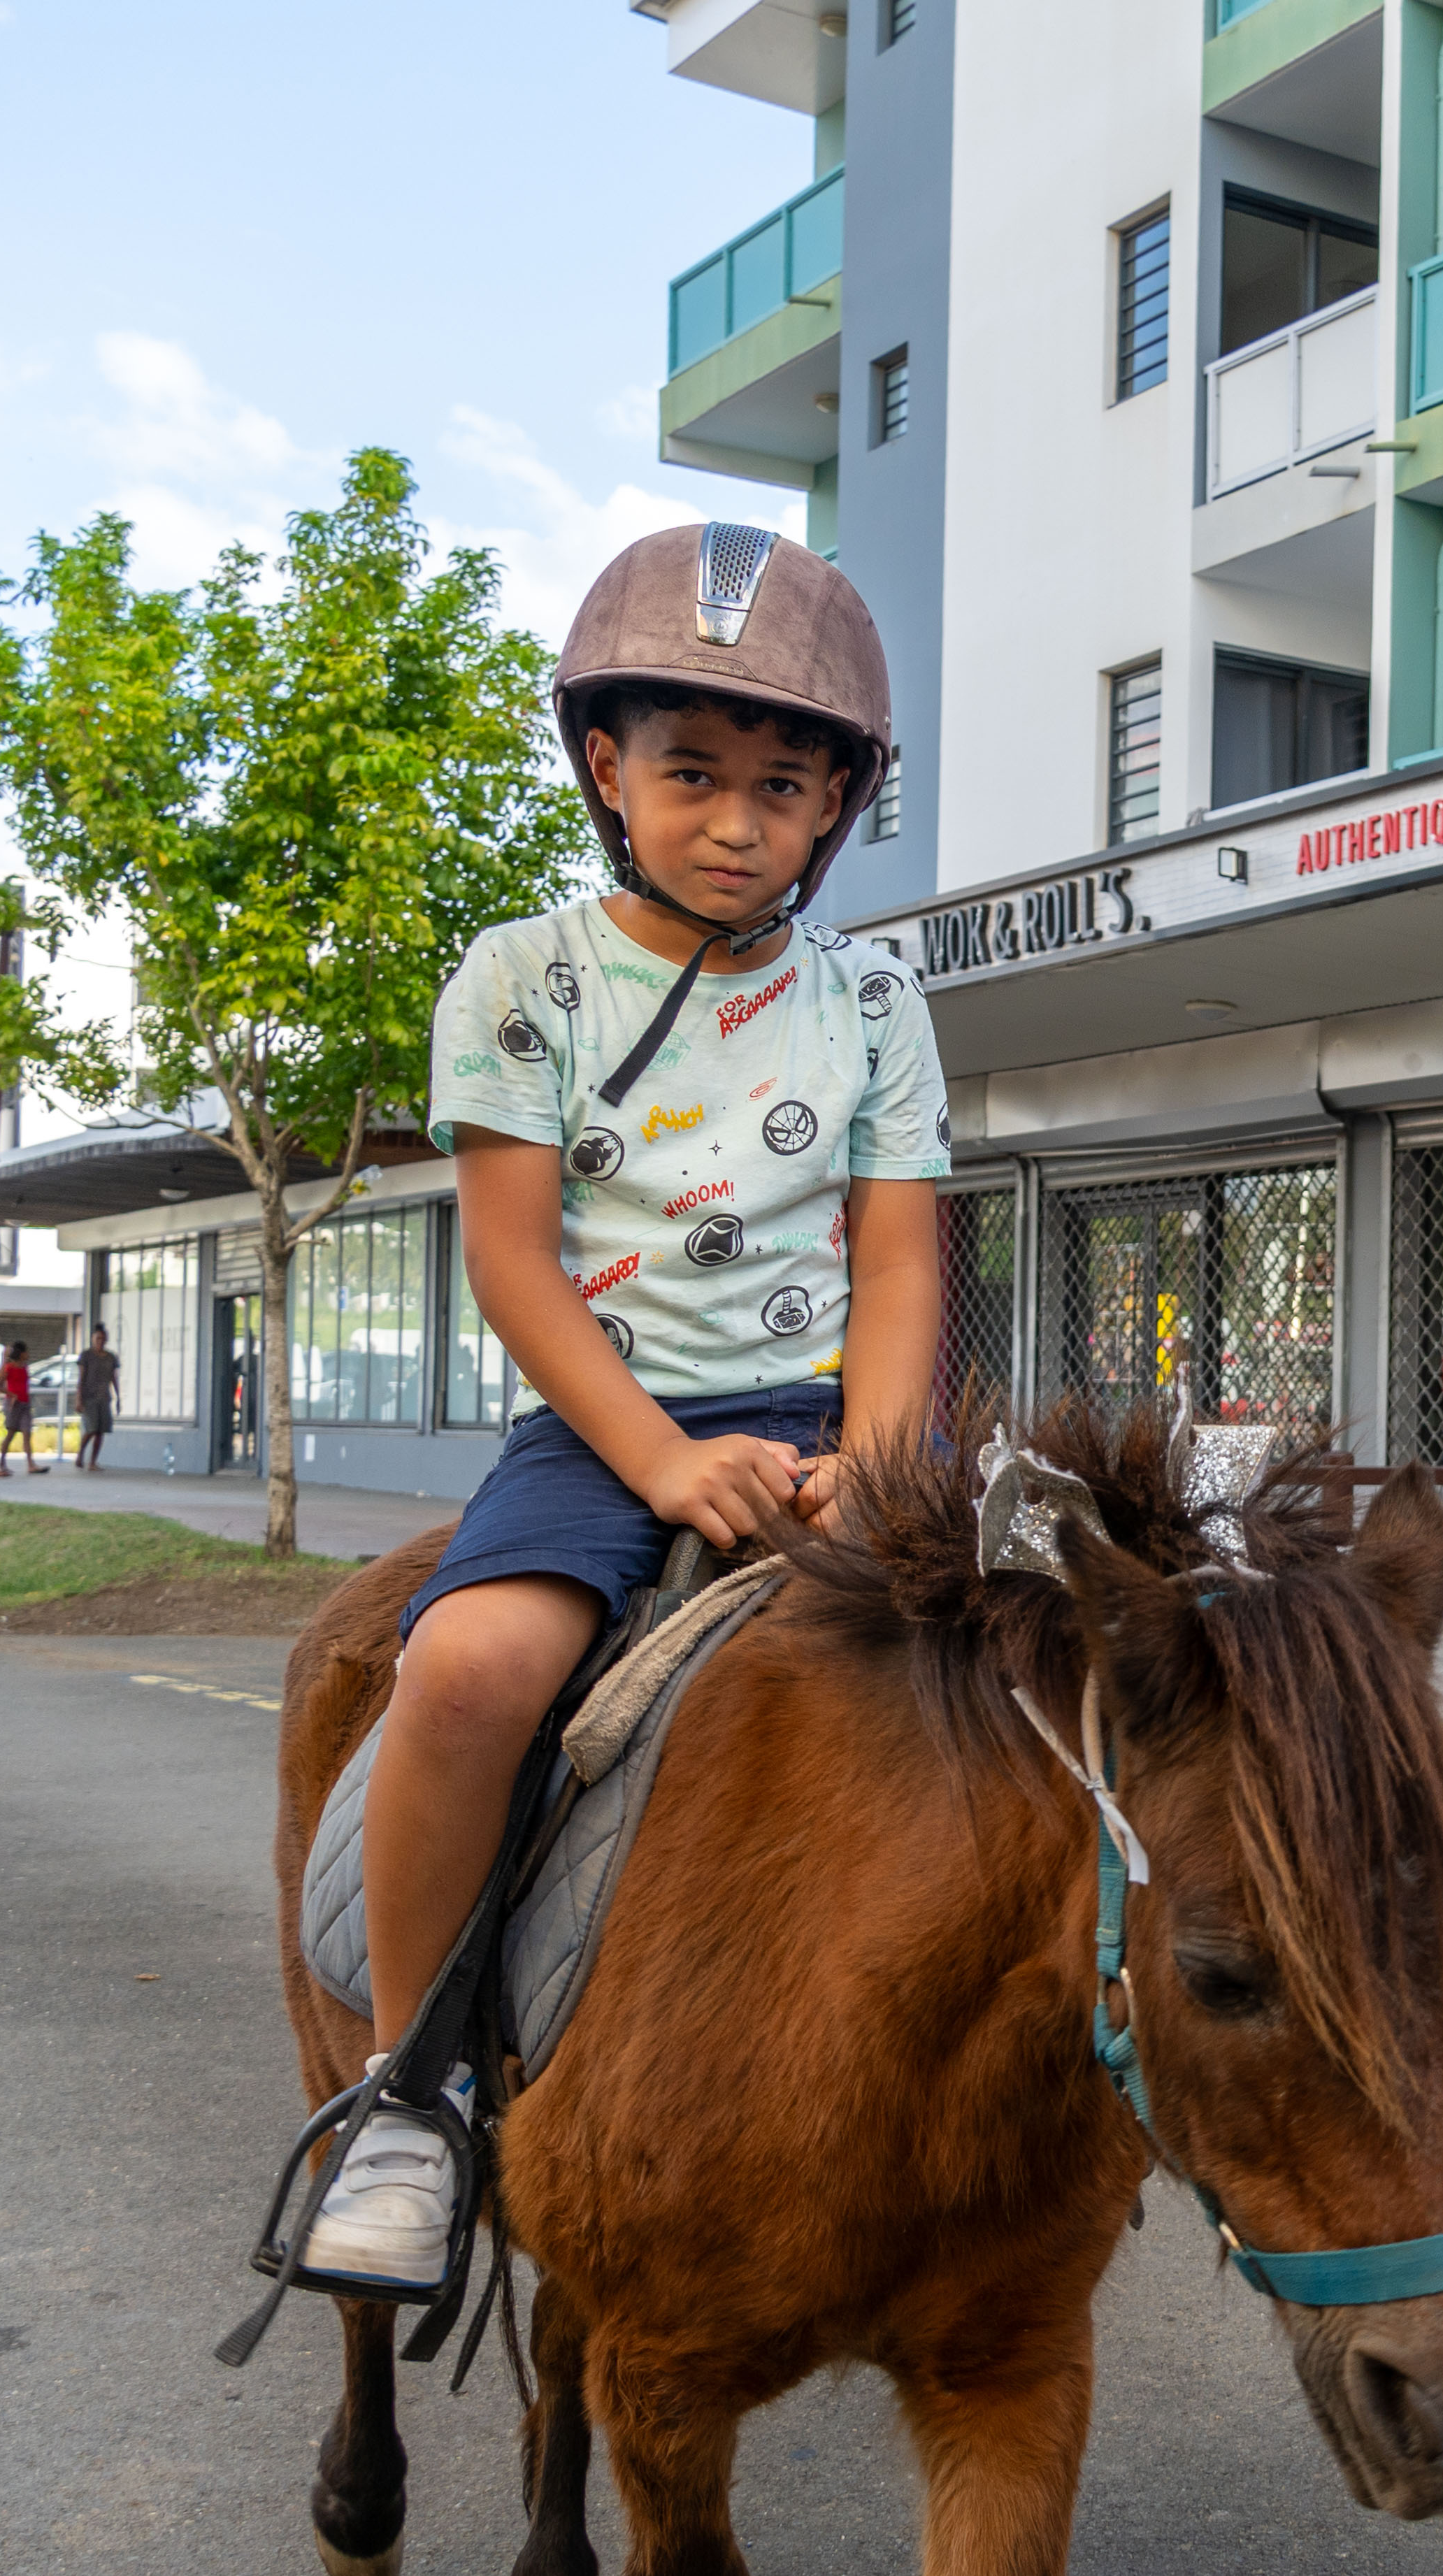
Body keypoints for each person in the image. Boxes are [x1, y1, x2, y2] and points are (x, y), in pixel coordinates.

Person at [289, 522, 948, 2296]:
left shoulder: (879, 999)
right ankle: (403, 2098)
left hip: (837, 1415)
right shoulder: (519, 977)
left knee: (1046, 1663)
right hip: (608, 1414)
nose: (736, 819)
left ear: (835, 807)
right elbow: (510, 1262)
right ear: (607, 766)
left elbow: (896, 1264)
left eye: (781, 784)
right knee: (469, 1668)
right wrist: (659, 1457)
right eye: (692, 772)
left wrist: (875, 1476)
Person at [72, 1327, 119, 1469]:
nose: (100, 1341)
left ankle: (93, 1462)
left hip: (104, 1397)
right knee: (91, 1429)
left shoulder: (111, 1357)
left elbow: (113, 1377)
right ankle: (81, 1454)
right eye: (98, 1338)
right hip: (89, 1397)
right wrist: (79, 1399)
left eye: (103, 1339)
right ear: (93, 1339)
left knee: (100, 1431)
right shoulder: (86, 1356)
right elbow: (81, 1378)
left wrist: (118, 1397)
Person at [0, 1340, 41, 1474]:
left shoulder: (25, 1367)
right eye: (26, 1352)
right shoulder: (9, 1367)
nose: (28, 1354)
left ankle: (31, 1464)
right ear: (21, 1354)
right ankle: (2, 1462)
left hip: (25, 1404)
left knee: (27, 1433)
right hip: (13, 1404)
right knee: (11, 1434)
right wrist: (11, 1395)